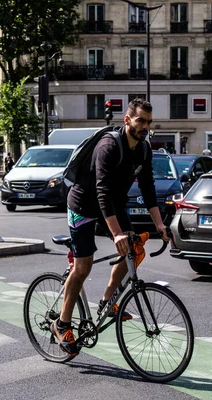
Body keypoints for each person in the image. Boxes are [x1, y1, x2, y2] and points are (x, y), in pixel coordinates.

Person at [50, 98, 169, 357]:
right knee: (83, 266)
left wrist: (160, 224)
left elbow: (148, 188)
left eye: (148, 122)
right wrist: (116, 233)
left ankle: (108, 300)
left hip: (112, 206)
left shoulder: (144, 149)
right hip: (82, 205)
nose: (145, 127)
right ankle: (62, 324)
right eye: (140, 121)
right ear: (127, 120)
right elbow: (101, 190)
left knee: (135, 249)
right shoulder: (108, 146)